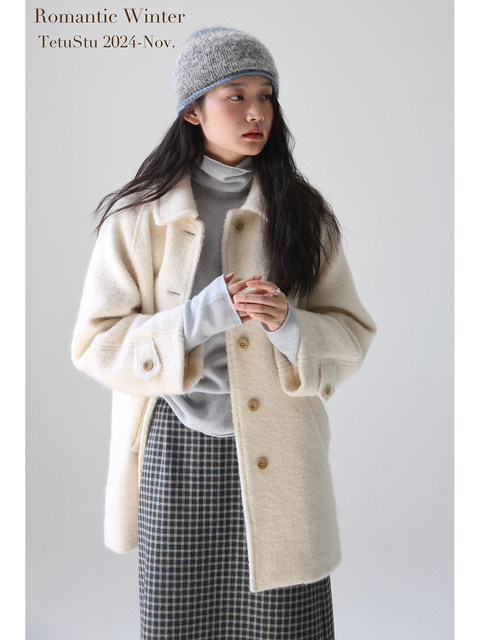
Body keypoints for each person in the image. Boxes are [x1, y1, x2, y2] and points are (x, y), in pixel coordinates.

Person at [72, 25, 376, 640]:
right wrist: (196, 318)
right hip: (175, 450)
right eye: (236, 95)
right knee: (179, 622)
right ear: (193, 110)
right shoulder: (138, 216)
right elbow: (96, 343)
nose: (256, 112)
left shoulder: (303, 215)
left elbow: (351, 332)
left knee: (287, 624)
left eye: (266, 96)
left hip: (282, 448)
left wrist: (288, 324)